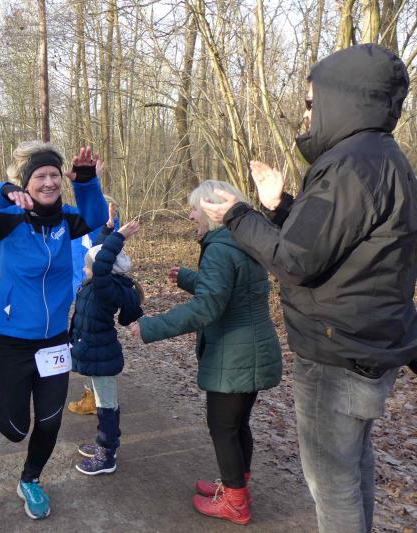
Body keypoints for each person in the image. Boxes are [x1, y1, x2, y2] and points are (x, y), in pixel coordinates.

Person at [199, 44, 415, 533]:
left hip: (338, 354)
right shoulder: (384, 159)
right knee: (353, 466)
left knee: (332, 484)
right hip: (370, 346)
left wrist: (237, 215)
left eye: (312, 102)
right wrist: (279, 207)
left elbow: (294, 260)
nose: (307, 113)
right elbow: (335, 242)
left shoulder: (348, 166)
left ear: (345, 98)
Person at [0, 142, 108, 520]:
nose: (49, 182)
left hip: (54, 341)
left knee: (50, 420)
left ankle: (30, 479)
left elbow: (97, 217)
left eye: (55, 175)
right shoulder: (8, 219)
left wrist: (86, 181)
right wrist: (2, 190)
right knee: (15, 428)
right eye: (40, 176)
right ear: (26, 182)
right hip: (10, 342)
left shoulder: (67, 219)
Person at [132, 180, 282, 525]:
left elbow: (206, 308)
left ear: (213, 212)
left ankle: (235, 503)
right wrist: (188, 278)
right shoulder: (244, 240)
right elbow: (228, 288)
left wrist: (152, 326)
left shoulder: (219, 249)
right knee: (237, 424)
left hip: (235, 355)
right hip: (253, 349)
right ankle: (235, 485)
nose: (190, 215)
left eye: (195, 208)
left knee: (223, 427)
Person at [70, 219, 144, 475]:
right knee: (104, 404)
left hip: (102, 354)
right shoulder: (101, 285)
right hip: (95, 353)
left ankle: (106, 455)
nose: (84, 268)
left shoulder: (104, 287)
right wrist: (108, 231)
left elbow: (101, 262)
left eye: (87, 266)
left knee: (107, 407)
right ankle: (105, 445)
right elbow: (100, 255)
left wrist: (120, 237)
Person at [68, 197, 121, 416]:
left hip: (92, 292)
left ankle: (99, 402)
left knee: (93, 345)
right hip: (81, 289)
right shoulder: (84, 225)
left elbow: (100, 255)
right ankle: (95, 397)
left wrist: (108, 225)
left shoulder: (100, 229)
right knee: (86, 343)